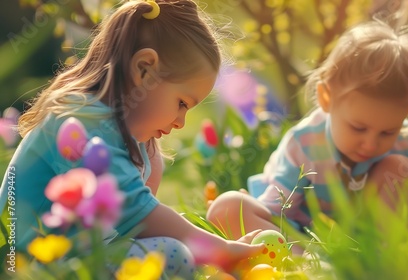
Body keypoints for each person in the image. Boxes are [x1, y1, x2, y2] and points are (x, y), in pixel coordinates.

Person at [0, 0, 263, 278]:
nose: (181, 122)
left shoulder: (122, 134)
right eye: (182, 103)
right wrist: (219, 250)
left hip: (69, 257)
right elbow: (138, 215)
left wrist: (150, 158)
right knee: (174, 253)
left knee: (174, 247)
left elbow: (134, 226)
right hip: (27, 266)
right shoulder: (79, 120)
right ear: (144, 69)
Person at [207, 20, 408, 248]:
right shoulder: (305, 144)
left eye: (388, 132)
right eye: (358, 128)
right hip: (301, 236)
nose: (370, 144)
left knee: (401, 170)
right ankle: (307, 265)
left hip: (364, 241)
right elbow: (277, 211)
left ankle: (378, 258)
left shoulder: (404, 142)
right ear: (326, 98)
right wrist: (256, 211)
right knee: (227, 207)